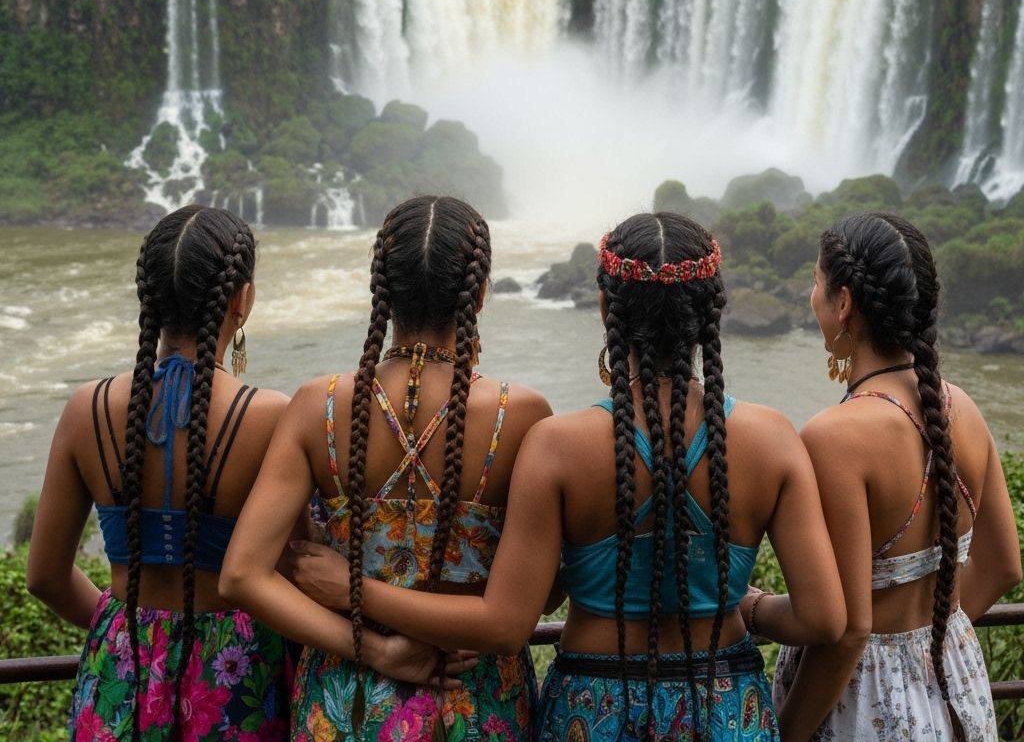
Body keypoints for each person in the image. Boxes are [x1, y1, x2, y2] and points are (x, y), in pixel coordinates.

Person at [286, 211, 845, 741]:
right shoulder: (773, 439)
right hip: (725, 702)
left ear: (605, 307)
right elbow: (825, 619)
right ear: (710, 314)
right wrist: (745, 606)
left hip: (592, 704)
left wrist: (354, 589)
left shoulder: (558, 446)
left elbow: (514, 609)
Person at [26, 204, 443, 742]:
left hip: (120, 667)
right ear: (241, 300)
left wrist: (129, 636)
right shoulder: (267, 415)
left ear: (146, 296)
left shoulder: (87, 408)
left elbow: (44, 576)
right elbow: (296, 569)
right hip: (238, 671)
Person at [221, 195, 553, 741]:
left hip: (345, 700)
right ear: (482, 291)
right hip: (473, 704)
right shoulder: (520, 415)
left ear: (380, 289)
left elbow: (242, 576)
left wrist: (373, 641)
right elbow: (529, 606)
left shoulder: (318, 406)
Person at [770, 212, 1021, 742]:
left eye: (815, 283)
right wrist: (926, 644)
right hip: (954, 687)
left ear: (843, 304)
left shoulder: (835, 437)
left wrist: (783, 734)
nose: (809, 297)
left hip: (864, 704)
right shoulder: (965, 409)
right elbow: (1002, 565)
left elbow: (848, 631)